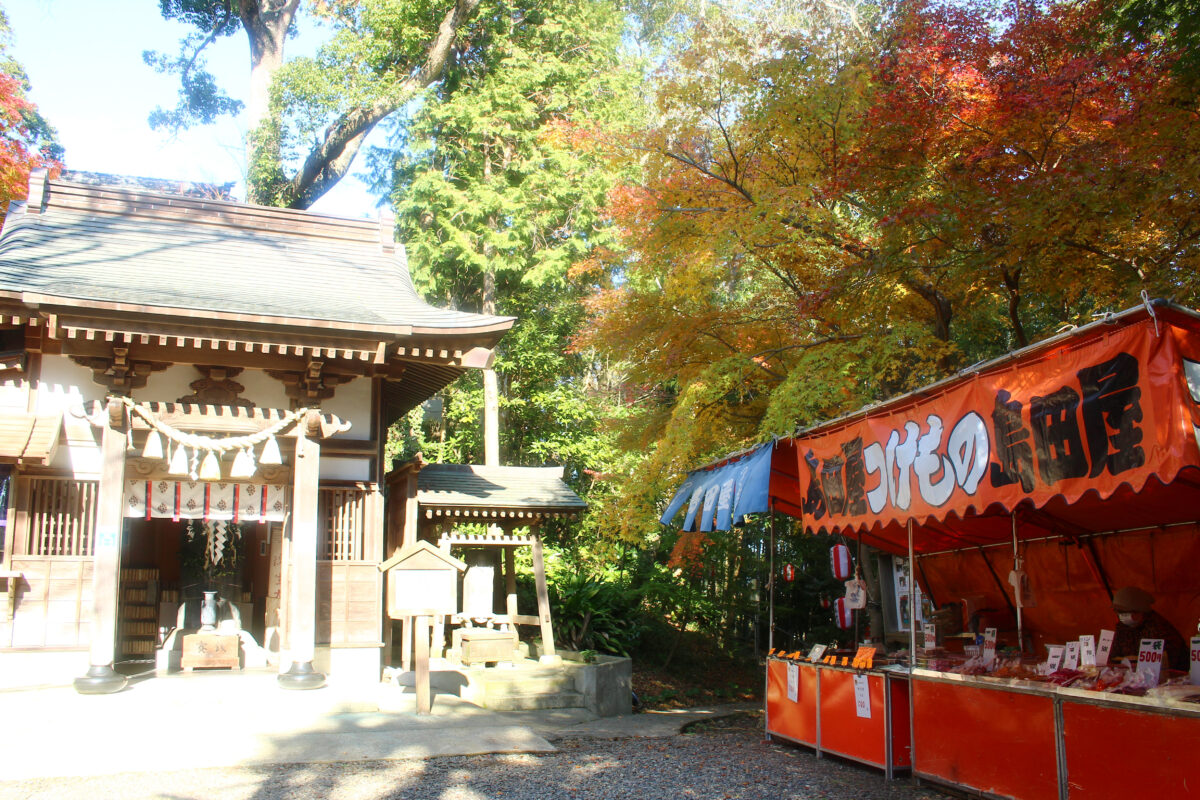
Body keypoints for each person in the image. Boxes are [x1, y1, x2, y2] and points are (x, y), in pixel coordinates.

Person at [1109, 586, 1189, 671]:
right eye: (1119, 612)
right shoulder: (1122, 627)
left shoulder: (1159, 628)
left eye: (1125, 612)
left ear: (1140, 610)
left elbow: (1167, 663)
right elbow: (1113, 656)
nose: (1122, 616)